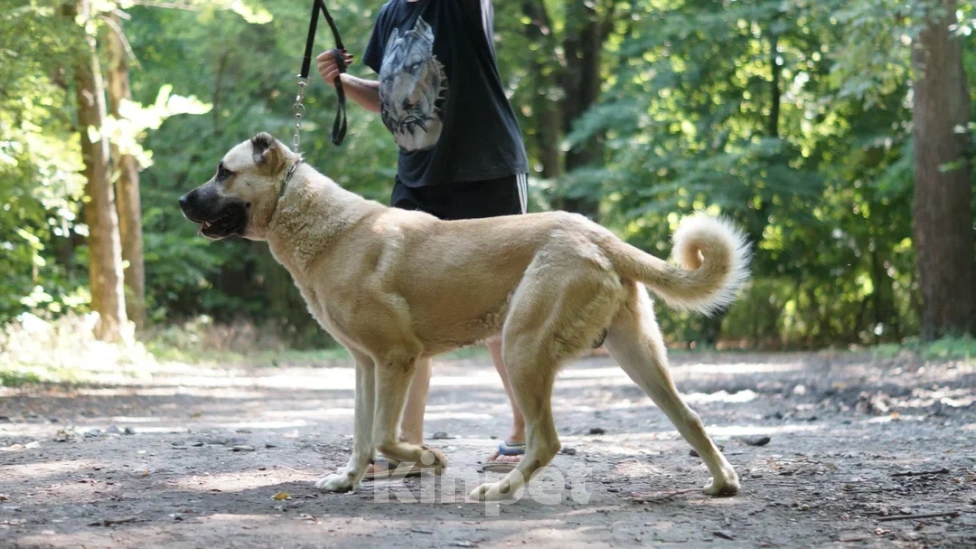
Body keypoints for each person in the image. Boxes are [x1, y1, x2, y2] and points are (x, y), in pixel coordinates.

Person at [316, 0, 529, 477]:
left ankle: (523, 430)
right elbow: (394, 95)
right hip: (415, 179)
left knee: (504, 308)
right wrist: (342, 83)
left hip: (484, 171)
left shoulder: (459, 7)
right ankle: (405, 448)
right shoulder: (391, 16)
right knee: (397, 314)